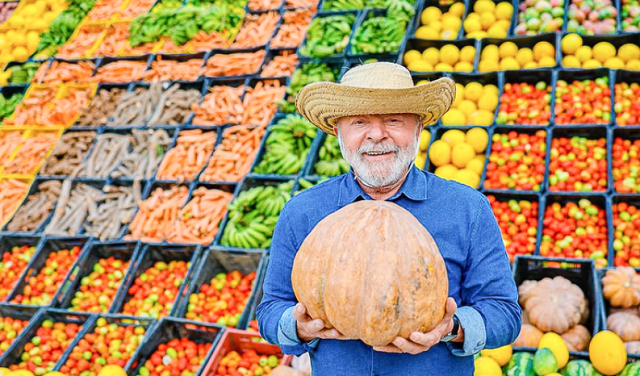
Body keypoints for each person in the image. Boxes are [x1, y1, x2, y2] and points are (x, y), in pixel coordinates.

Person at [256, 62, 521, 375]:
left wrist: (452, 328)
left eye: (393, 119)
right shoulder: (302, 212)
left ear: (418, 128)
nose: (377, 134)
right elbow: (271, 311)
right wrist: (299, 326)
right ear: (340, 133)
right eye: (359, 122)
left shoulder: (467, 208)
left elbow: (505, 314)